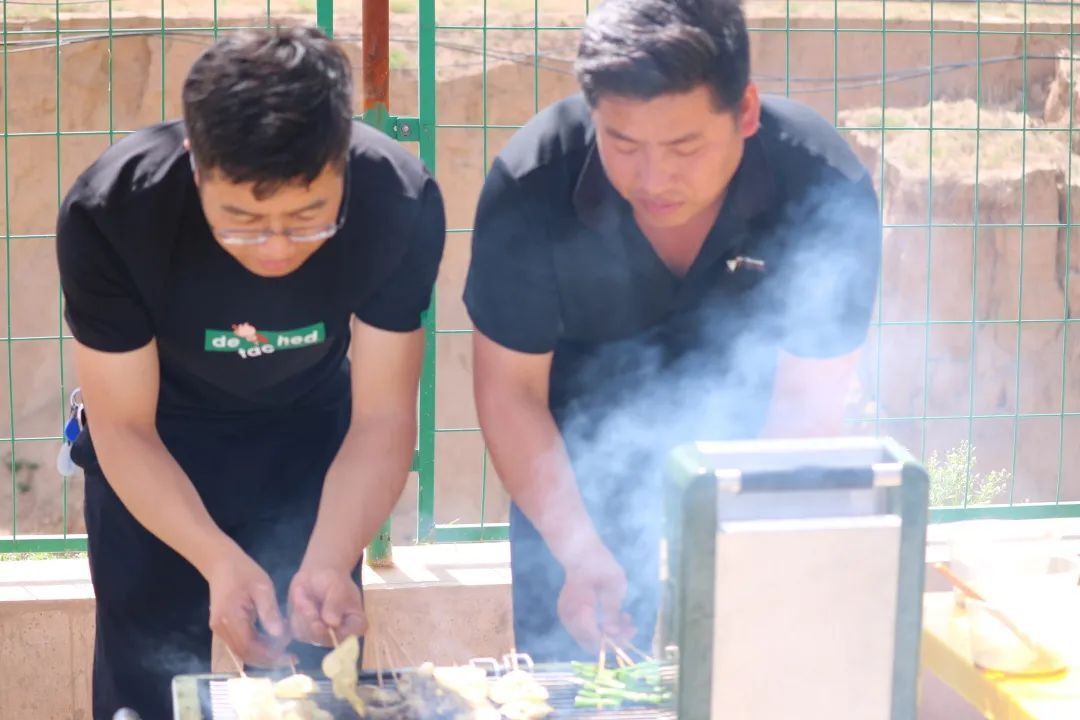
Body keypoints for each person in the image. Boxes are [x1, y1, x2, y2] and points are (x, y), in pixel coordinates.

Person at [464, 0, 882, 662]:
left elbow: (807, 402)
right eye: (623, 145)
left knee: (738, 671)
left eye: (685, 147)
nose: (654, 179)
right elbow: (510, 391)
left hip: (753, 464)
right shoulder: (531, 185)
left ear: (746, 111)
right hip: (573, 472)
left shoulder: (822, 185)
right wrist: (578, 552)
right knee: (574, 683)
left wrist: (737, 551)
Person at [56, 26, 445, 719]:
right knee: (146, 689)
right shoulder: (113, 212)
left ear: (343, 163)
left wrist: (329, 558)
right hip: (157, 443)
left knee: (316, 684)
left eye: (308, 217)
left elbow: (384, 415)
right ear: (196, 164)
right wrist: (217, 559)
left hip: (313, 445)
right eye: (241, 219)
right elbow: (123, 425)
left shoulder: (397, 200)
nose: (275, 248)